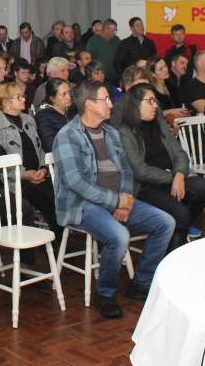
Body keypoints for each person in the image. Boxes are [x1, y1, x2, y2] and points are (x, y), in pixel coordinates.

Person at [52, 80, 175, 318]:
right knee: (120, 236)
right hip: (82, 206)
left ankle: (141, 282)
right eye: (105, 99)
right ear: (89, 104)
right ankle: (105, 294)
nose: (111, 104)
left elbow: (127, 170)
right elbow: (76, 183)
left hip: (117, 199)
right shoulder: (67, 136)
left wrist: (126, 197)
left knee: (165, 223)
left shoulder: (111, 133)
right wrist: (115, 202)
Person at [111, 83, 205, 246]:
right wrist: (173, 178)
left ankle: (176, 233)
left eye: (155, 100)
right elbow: (140, 171)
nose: (155, 105)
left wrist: (179, 174)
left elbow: (180, 153)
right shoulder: (125, 131)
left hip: (170, 179)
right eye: (149, 101)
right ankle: (174, 250)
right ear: (135, 104)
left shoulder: (158, 122)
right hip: (144, 187)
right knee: (181, 213)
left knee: (203, 186)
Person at [0, 82, 63, 240]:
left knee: (61, 191)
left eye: (23, 96)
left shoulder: (28, 119)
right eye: (19, 97)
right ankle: (59, 243)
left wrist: (43, 168)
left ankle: (61, 242)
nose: (24, 99)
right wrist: (23, 174)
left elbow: (40, 147)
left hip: (39, 175)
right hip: (14, 181)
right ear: (6, 102)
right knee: (48, 196)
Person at [35, 78, 75, 148]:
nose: (69, 97)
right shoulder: (43, 117)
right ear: (52, 98)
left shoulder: (74, 111)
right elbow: (50, 145)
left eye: (69, 92)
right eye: (64, 94)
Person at [85, 19, 121, 84]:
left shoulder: (116, 40)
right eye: (113, 30)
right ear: (106, 29)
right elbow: (88, 59)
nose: (115, 32)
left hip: (115, 76)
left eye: (116, 30)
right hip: (100, 78)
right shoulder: (93, 41)